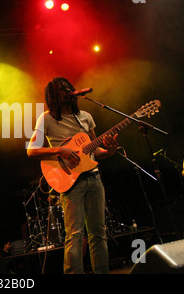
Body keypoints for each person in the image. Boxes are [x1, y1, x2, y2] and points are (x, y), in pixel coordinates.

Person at [27, 77, 118, 274]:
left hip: (94, 178)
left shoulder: (85, 116)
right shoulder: (47, 118)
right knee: (75, 235)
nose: (67, 90)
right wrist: (60, 150)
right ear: (53, 95)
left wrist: (110, 150)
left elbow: (96, 151)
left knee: (98, 234)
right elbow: (31, 150)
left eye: (68, 87)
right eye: (61, 89)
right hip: (69, 182)